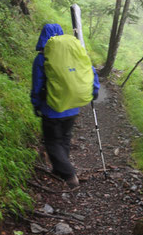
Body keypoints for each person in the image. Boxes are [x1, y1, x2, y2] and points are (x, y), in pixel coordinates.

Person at [30, 23, 100, 188]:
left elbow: (37, 84)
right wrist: (94, 92)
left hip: (52, 108)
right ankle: (59, 170)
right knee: (64, 139)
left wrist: (36, 103)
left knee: (52, 142)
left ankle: (69, 174)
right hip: (73, 107)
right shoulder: (75, 53)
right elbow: (91, 71)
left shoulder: (42, 58)